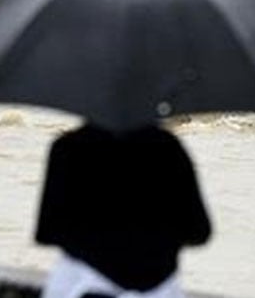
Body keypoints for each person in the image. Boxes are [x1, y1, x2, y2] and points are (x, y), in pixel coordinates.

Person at [36, 123, 212, 298]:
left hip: (82, 283)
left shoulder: (67, 147)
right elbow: (199, 232)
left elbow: (47, 233)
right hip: (158, 287)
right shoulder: (169, 148)